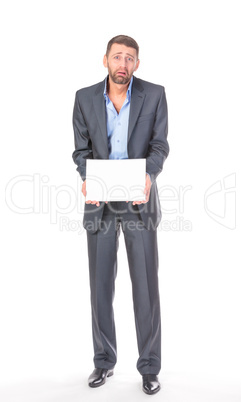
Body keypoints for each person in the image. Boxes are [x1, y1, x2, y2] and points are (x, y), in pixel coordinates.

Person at [72, 35, 169, 395]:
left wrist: (149, 175)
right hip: (99, 204)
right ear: (105, 60)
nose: (123, 64)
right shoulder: (84, 98)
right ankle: (103, 362)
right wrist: (86, 177)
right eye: (117, 57)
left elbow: (160, 144)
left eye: (130, 58)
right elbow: (80, 150)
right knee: (100, 288)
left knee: (145, 288)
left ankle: (149, 367)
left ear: (137, 64)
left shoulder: (154, 94)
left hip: (138, 203)